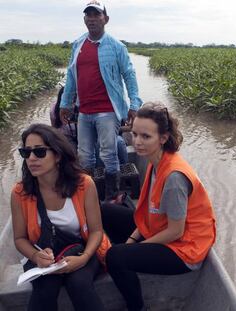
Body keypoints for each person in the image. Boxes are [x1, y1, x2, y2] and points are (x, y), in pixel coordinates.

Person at [102, 102, 216, 311]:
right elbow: (147, 212)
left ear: (163, 138)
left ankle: (136, 307)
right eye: (134, 134)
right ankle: (128, 260)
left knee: (114, 257)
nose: (137, 142)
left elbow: (176, 231)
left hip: (184, 248)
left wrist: (133, 248)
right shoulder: (156, 163)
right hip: (162, 228)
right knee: (105, 210)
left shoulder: (173, 178)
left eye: (146, 137)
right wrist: (131, 241)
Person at [10, 123, 111, 310]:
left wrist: (84, 258)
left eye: (39, 152)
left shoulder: (83, 184)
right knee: (45, 290)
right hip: (43, 255)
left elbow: (96, 231)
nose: (31, 158)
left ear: (57, 155)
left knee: (79, 284)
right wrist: (35, 255)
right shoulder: (20, 193)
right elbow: (19, 238)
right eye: (26, 153)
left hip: (83, 249)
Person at [59, 1, 143, 202]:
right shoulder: (78, 45)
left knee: (108, 153)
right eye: (88, 15)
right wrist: (65, 103)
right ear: (84, 19)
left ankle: (111, 196)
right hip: (85, 111)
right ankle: (88, 197)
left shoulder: (116, 46)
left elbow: (129, 75)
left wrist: (134, 105)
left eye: (96, 15)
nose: (92, 19)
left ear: (106, 19)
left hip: (108, 110)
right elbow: (71, 77)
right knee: (84, 155)